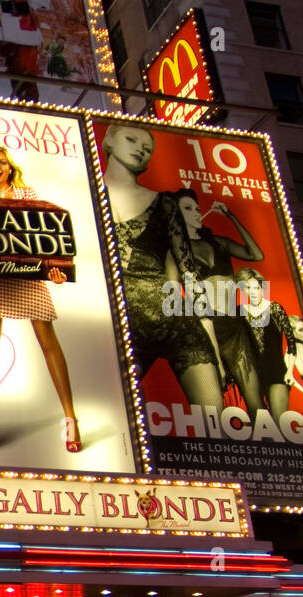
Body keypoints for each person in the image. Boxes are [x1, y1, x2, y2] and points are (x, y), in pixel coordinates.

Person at [0, 144, 82, 455]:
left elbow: (48, 237)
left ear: (10, 167)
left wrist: (55, 270)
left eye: (3, 161)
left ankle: (71, 417)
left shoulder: (28, 195)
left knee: (47, 338)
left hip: (27, 272)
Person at [101, 124, 223, 411]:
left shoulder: (166, 202)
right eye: (131, 139)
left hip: (173, 320)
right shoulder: (80, 193)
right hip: (117, 326)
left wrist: (213, 345)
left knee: (216, 420)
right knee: (108, 417)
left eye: (147, 148)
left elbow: (188, 274)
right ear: (108, 140)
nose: (140, 149)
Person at [173, 189, 264, 412]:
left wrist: (230, 216)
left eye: (197, 208)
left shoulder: (219, 243)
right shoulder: (176, 251)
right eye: (187, 208)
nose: (196, 212)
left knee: (256, 405)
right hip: (206, 329)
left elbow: (256, 255)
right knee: (214, 407)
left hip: (235, 328)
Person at [236, 267, 297, 419]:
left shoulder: (275, 309)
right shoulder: (240, 311)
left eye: (256, 288)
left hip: (276, 371)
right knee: (260, 425)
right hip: (252, 374)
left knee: (279, 421)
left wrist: (290, 371)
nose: (253, 292)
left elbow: (291, 343)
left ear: (262, 288)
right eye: (248, 288)